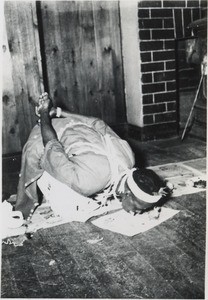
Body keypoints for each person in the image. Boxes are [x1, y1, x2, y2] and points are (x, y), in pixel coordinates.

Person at [15, 92, 172, 222]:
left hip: (79, 131)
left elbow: (98, 123)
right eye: (137, 208)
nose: (136, 213)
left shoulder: (128, 158)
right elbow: (51, 145)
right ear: (128, 193)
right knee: (69, 210)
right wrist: (44, 114)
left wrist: (58, 112)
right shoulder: (86, 182)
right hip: (50, 134)